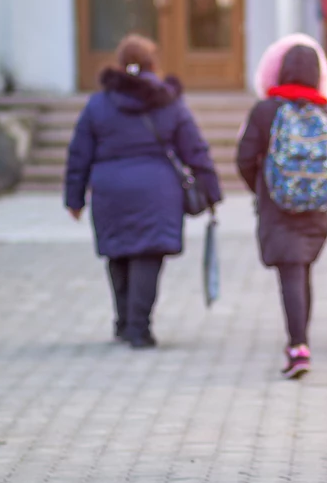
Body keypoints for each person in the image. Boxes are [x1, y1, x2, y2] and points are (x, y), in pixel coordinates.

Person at [64, 34, 222, 349]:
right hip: (157, 191)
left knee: (118, 251)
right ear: (153, 65)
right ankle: (139, 327)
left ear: (120, 65)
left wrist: (74, 198)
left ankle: (123, 322)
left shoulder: (98, 104)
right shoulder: (169, 102)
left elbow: (78, 153)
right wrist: (212, 190)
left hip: (110, 190)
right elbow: (195, 149)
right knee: (147, 255)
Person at [238, 34, 327, 379]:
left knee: (292, 271)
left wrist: (261, 186)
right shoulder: (325, 111)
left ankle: (298, 346)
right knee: (301, 269)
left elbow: (243, 157)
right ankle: (300, 341)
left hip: (278, 204)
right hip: (315, 206)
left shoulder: (266, 110)